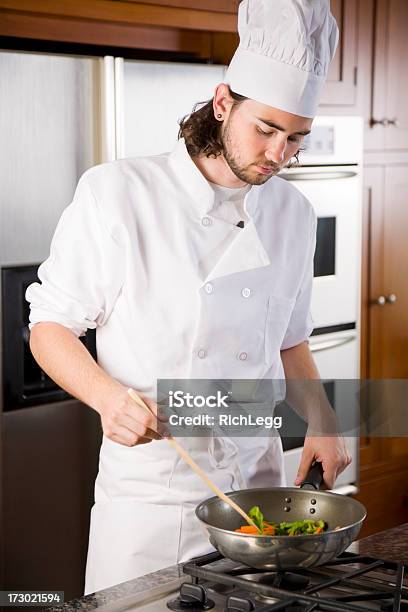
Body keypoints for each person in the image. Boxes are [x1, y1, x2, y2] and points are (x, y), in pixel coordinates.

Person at [26, 0, 351, 596]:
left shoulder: (293, 214)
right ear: (223, 102)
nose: (279, 155)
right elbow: (49, 327)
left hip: (256, 495)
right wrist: (107, 398)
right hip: (152, 503)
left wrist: (324, 421)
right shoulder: (119, 193)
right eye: (266, 130)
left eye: (297, 140)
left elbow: (291, 340)